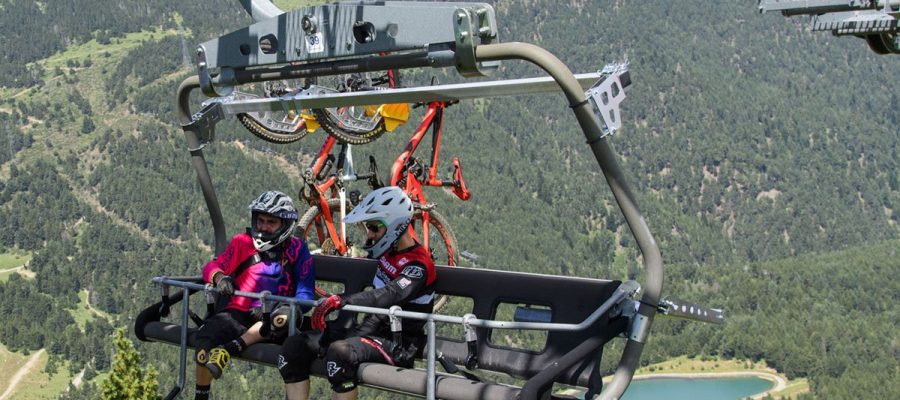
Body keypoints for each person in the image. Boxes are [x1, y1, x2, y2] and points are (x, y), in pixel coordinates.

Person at [277, 186, 437, 400]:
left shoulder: (418, 265)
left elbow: (387, 295)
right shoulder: (389, 254)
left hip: (397, 343)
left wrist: (340, 300)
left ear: (396, 226)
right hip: (369, 332)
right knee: (293, 347)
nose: (369, 234)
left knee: (340, 354)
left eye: (374, 227)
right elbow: (377, 309)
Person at [193, 190, 315, 400]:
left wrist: (280, 305)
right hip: (237, 313)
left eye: (271, 222)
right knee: (203, 344)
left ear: (284, 226)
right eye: (261, 221)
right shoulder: (242, 242)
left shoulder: (297, 250)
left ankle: (229, 349)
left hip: (274, 317)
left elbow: (306, 294)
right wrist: (220, 278)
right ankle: (201, 396)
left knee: (282, 317)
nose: (263, 227)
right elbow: (213, 266)